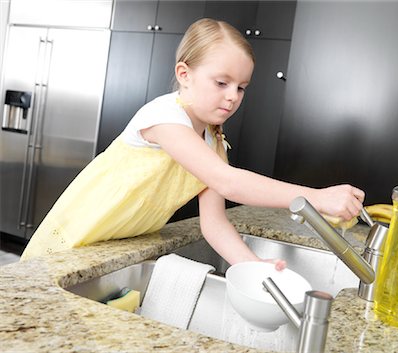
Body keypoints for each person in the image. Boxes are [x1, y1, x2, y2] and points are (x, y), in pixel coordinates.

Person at [21, 18, 365, 267]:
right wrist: (316, 198)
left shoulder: (213, 141)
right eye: (221, 83)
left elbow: (213, 223)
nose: (232, 97)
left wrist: (251, 266)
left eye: (241, 87)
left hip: (112, 250)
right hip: (70, 243)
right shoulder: (163, 117)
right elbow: (228, 182)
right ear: (184, 75)